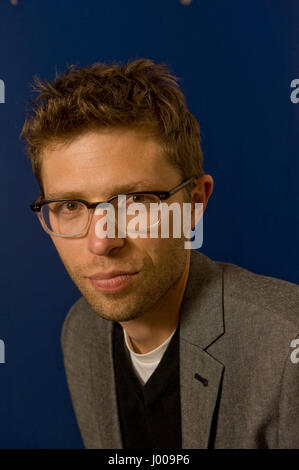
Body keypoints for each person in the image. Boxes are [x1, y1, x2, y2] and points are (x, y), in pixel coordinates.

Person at [22, 59, 299, 449]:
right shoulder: (79, 332)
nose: (102, 241)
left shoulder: (288, 345)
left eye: (136, 200)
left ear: (195, 202)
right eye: (69, 206)